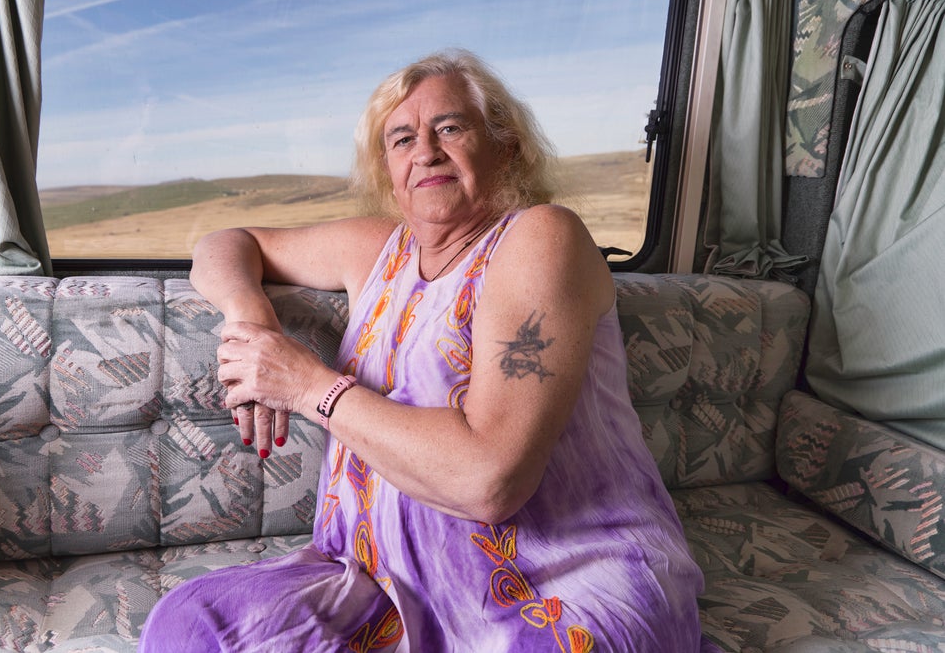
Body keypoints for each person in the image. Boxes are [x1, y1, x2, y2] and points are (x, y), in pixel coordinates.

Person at [139, 50, 708, 652]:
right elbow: (224, 243)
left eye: (450, 128)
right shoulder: (377, 249)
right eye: (402, 139)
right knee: (190, 626)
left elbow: (490, 481)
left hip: (559, 580)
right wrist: (252, 318)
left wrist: (307, 386)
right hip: (382, 582)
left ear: (506, 146)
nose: (426, 152)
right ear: (387, 167)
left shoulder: (541, 237)